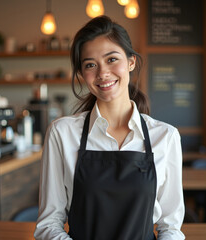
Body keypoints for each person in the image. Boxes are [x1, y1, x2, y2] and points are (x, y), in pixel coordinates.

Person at [34, 15, 185, 240]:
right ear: (82, 74)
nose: (102, 73)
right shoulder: (62, 133)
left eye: (112, 59)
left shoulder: (165, 136)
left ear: (131, 62)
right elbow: (48, 224)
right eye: (90, 65)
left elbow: (170, 228)